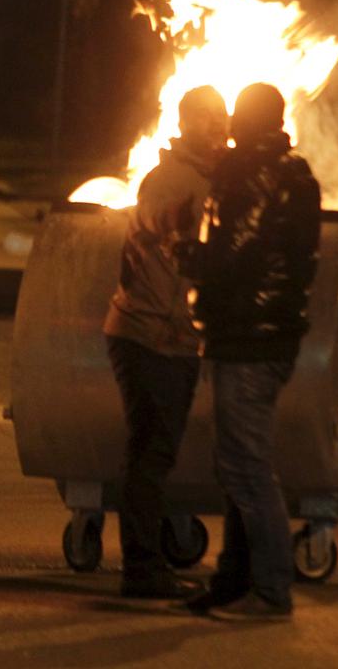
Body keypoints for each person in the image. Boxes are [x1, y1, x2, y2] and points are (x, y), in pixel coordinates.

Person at [180, 83, 321, 621]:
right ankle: (233, 580)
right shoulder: (293, 173)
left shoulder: (251, 172)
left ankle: (270, 590)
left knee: (246, 469)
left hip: (247, 336)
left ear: (248, 118)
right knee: (236, 464)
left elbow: (236, 249)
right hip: (266, 336)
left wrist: (185, 252)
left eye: (237, 113)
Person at [103, 86, 228, 599]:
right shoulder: (176, 182)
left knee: (152, 454)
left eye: (221, 120)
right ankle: (142, 570)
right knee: (151, 457)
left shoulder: (197, 178)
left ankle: (146, 563)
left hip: (165, 336)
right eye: (207, 120)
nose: (218, 129)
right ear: (185, 122)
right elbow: (179, 251)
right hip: (152, 335)